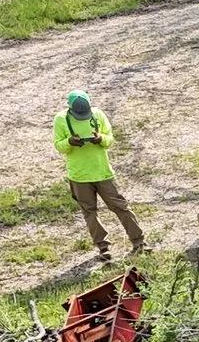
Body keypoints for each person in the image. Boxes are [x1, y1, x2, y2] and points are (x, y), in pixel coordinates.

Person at [53, 90, 145, 261]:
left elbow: (110, 139)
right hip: (79, 175)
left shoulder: (98, 115)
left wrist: (101, 139)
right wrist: (69, 142)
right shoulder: (60, 119)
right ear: (70, 108)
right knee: (89, 212)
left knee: (121, 207)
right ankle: (103, 247)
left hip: (102, 172)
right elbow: (58, 145)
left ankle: (139, 242)